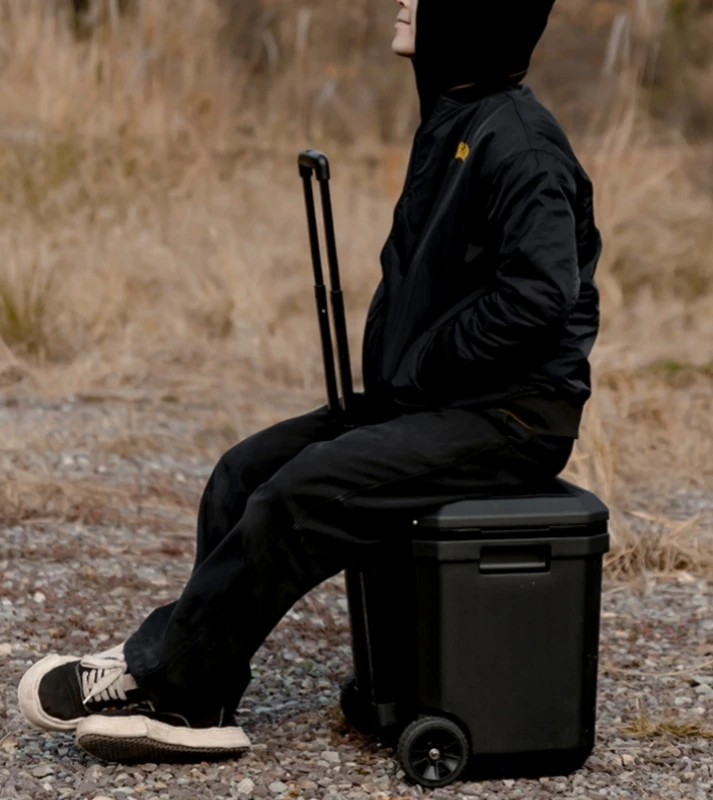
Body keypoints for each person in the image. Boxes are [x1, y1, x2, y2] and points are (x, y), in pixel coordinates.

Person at [18, 0, 601, 764]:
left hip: (510, 417)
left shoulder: (520, 143)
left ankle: (171, 687)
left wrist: (422, 364)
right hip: (440, 402)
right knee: (243, 474)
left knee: (301, 496)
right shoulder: (458, 119)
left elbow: (539, 295)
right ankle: (204, 683)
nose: (404, 1)